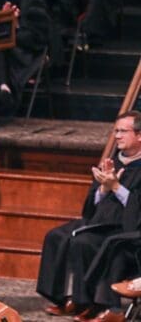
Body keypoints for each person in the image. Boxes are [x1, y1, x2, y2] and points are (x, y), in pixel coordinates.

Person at [36, 111, 141, 319]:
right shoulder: (112, 162)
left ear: (139, 135)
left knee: (83, 242)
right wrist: (103, 189)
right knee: (55, 236)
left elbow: (137, 210)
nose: (117, 136)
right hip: (99, 220)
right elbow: (91, 206)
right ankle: (64, 299)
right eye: (116, 131)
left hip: (124, 227)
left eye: (123, 131)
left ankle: (89, 303)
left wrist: (116, 187)